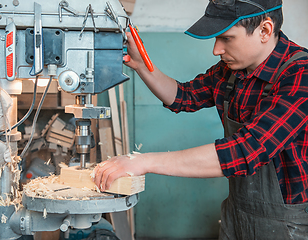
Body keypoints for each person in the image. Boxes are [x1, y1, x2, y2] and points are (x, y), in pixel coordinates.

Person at [94, 0, 308, 239]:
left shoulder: (300, 75)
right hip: (236, 214)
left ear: (265, 31)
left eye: (226, 38)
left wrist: (142, 161)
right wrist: (142, 66)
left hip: (287, 224)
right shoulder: (231, 71)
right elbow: (183, 96)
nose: (216, 50)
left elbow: (245, 150)